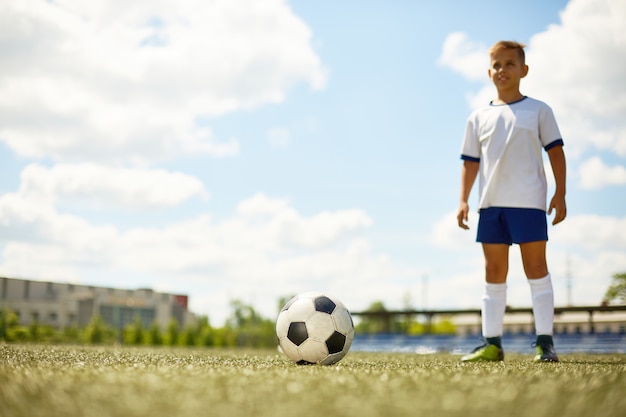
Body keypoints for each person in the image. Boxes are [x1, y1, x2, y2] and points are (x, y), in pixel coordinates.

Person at [456, 40, 567, 362]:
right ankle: (492, 344)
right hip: (491, 206)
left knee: (536, 268)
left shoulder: (539, 111)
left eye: (509, 64)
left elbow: (556, 152)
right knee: (493, 272)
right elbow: (470, 163)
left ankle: (544, 343)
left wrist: (560, 192)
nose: (502, 70)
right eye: (497, 64)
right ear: (489, 71)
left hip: (529, 203)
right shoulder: (477, 117)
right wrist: (463, 200)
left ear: (524, 70)